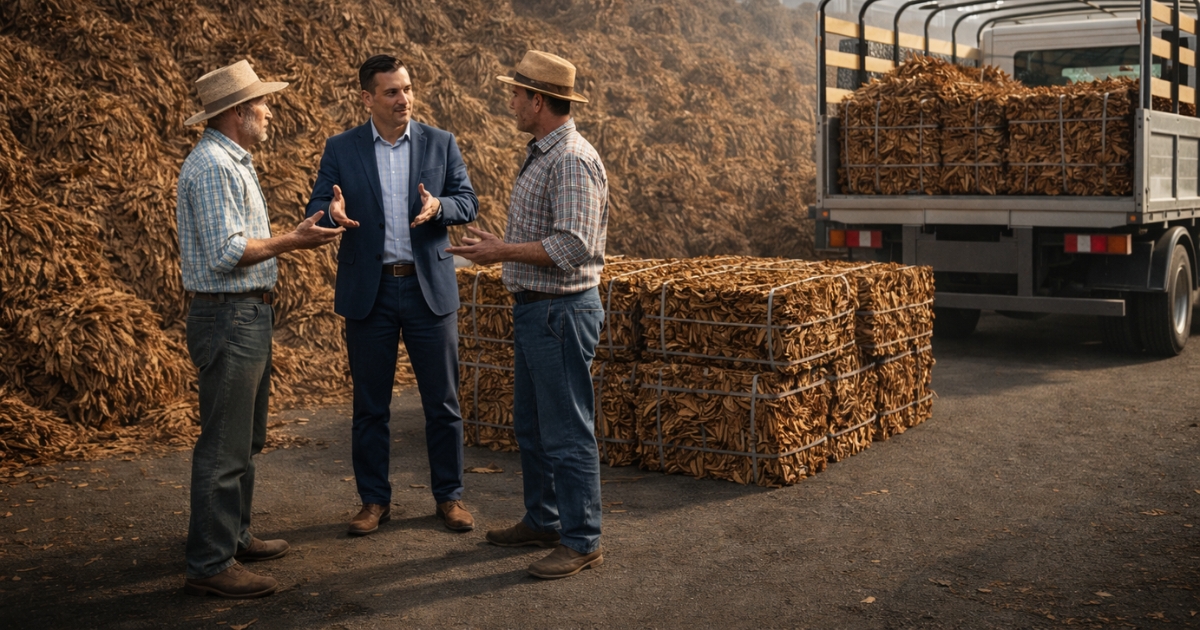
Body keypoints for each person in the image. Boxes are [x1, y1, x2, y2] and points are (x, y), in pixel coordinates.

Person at [177, 60, 345, 598]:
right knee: (225, 446)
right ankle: (210, 564)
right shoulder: (212, 167)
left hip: (244, 314)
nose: (270, 111)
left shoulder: (234, 160)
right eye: (262, 104)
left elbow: (238, 240)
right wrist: (293, 240)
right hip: (228, 316)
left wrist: (291, 235)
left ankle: (234, 537)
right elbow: (228, 252)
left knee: (243, 440)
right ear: (235, 113)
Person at [447, 50, 609, 580]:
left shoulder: (571, 159)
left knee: (567, 431)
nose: (511, 101)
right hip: (538, 312)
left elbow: (573, 246)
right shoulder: (544, 153)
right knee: (535, 427)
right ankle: (544, 519)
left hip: (560, 313)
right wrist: (502, 246)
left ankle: (582, 539)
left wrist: (503, 252)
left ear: (538, 101)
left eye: (517, 94)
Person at [306, 55, 479, 536]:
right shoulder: (341, 147)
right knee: (370, 406)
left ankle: (449, 497)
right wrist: (331, 210)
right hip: (371, 291)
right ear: (367, 98)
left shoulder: (440, 142)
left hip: (428, 288)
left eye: (407, 89)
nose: (403, 99)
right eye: (391, 92)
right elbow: (318, 203)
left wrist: (440, 206)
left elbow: (469, 200)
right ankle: (373, 501)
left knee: (442, 403)